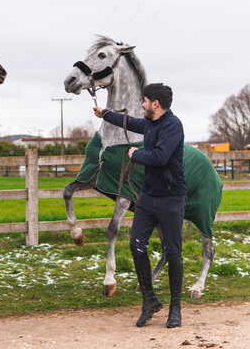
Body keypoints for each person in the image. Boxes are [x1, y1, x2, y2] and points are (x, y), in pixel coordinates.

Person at [93, 83, 186, 328]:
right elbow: (131, 122)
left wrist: (135, 154)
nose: (142, 104)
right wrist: (106, 113)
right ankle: (150, 300)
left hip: (171, 198)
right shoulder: (150, 123)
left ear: (155, 104)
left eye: (144, 101)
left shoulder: (173, 126)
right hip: (147, 197)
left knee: (174, 253)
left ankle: (175, 308)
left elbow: (160, 157)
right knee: (136, 246)